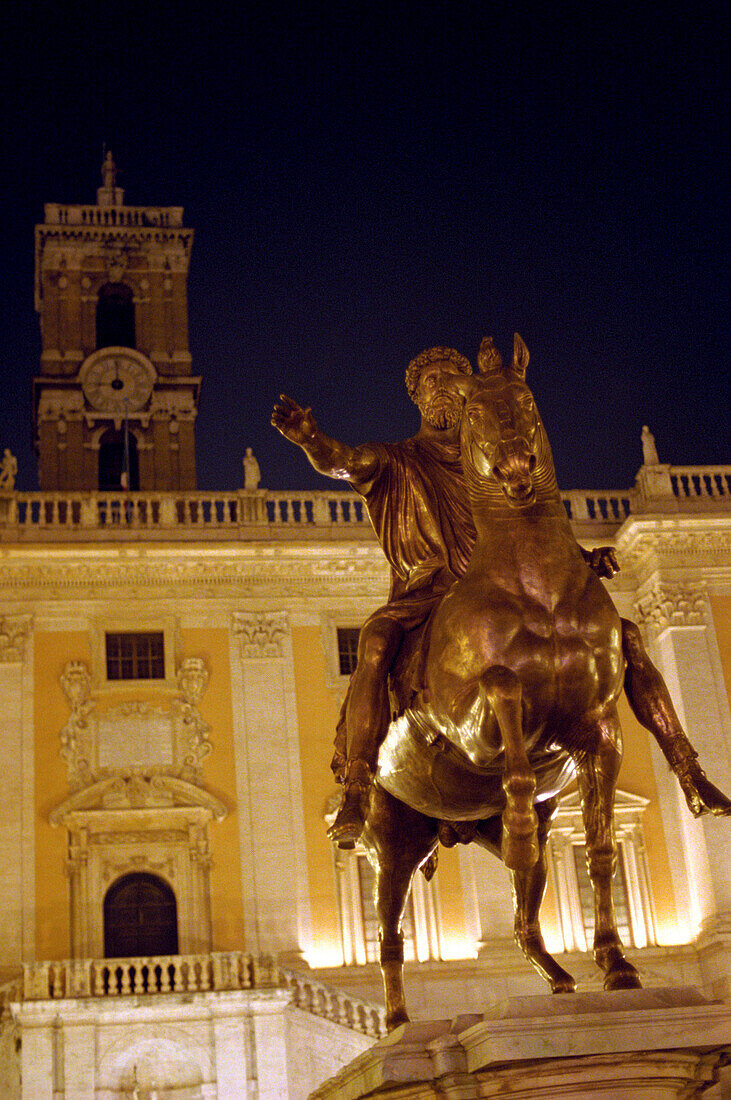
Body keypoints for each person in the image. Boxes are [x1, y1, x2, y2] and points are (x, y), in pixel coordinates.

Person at [272, 341, 728, 844]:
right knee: (375, 642)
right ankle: (358, 782)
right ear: (418, 398)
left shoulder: (494, 456)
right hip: (429, 594)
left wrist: (580, 559)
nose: (442, 389)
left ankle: (688, 769)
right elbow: (347, 462)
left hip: (515, 596)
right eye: (431, 383)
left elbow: (534, 528)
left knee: (627, 637)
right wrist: (311, 440)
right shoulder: (397, 459)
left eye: (452, 381)